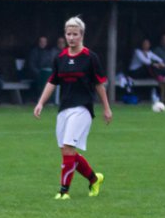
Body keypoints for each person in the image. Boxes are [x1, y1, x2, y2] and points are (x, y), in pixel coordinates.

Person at [34, 16, 113, 201]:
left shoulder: (90, 58)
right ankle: (94, 179)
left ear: (82, 35)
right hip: (64, 109)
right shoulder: (60, 58)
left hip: (83, 109)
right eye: (68, 34)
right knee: (67, 152)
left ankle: (63, 191)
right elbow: (53, 81)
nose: (71, 37)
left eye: (75, 34)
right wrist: (40, 103)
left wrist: (107, 108)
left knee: (69, 147)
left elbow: (99, 85)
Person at [26, 36, 55, 101]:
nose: (43, 43)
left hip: (46, 74)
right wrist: (39, 73)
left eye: (44, 42)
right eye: (41, 42)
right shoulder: (34, 52)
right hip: (36, 74)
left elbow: (51, 64)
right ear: (38, 42)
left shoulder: (48, 53)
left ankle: (50, 99)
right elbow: (31, 65)